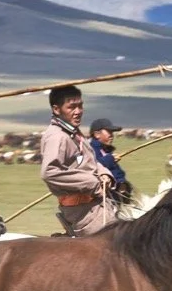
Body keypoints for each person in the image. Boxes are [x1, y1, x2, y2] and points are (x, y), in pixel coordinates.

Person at [40, 85, 117, 236]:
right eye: (72, 107)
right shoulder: (57, 137)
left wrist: (104, 173)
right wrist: (92, 183)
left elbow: (89, 162)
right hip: (82, 212)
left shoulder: (72, 133)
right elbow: (49, 172)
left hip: (94, 206)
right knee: (115, 248)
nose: (78, 111)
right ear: (57, 110)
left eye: (80, 106)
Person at [88, 117, 133, 203]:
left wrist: (122, 183)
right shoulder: (90, 149)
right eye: (109, 132)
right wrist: (110, 159)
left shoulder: (105, 150)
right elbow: (92, 167)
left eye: (112, 132)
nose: (112, 135)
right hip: (104, 199)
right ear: (97, 134)